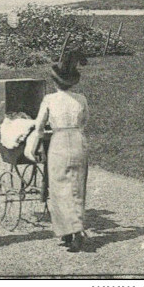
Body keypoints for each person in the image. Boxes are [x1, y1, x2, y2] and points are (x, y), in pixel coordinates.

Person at [29, 50, 89, 253]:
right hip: (78, 141)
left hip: (59, 141)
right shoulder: (81, 99)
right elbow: (85, 121)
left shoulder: (49, 100)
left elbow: (38, 127)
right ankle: (75, 230)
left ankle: (69, 232)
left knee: (59, 188)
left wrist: (32, 147)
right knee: (77, 186)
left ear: (56, 82)